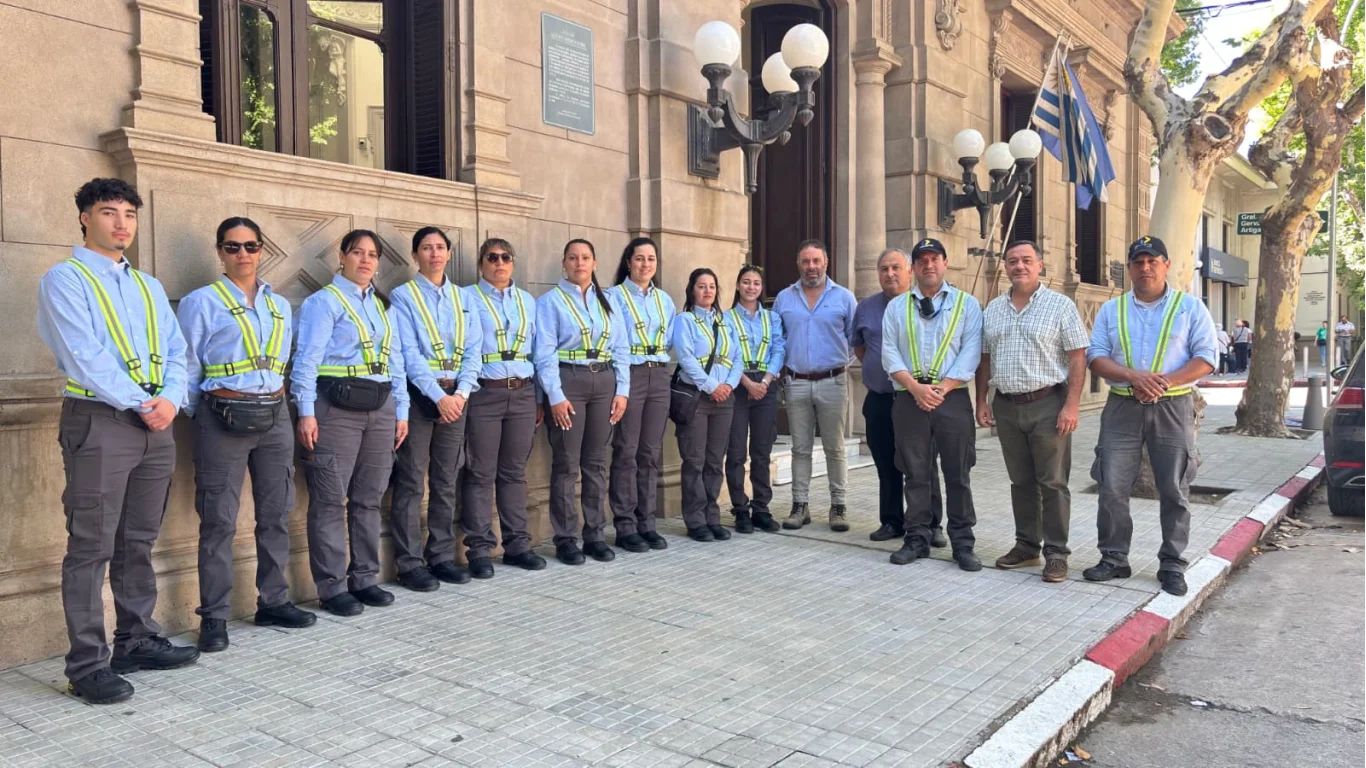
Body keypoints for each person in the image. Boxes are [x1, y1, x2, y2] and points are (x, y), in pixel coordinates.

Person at [37, 178, 198, 704]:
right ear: (86, 217)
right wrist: (143, 402)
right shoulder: (66, 279)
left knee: (138, 539)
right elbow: (82, 354)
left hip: (156, 422)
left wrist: (170, 399)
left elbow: (176, 350)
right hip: (101, 420)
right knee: (90, 546)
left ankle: (136, 639)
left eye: (129, 213)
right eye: (109, 212)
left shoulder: (147, 286)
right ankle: (87, 665)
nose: (122, 223)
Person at [178, 217, 316, 654]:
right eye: (233, 246)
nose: (243, 254)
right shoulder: (201, 302)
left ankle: (273, 602)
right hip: (222, 416)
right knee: (218, 520)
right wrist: (201, 415)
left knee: (276, 512)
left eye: (251, 246)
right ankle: (214, 616)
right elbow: (186, 364)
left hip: (274, 415)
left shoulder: (279, 305)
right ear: (220, 251)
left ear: (262, 251)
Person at [1084, 235, 1218, 597]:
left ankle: (1172, 563)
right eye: (1138, 262)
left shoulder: (1190, 308)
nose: (1145, 268)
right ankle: (1114, 558)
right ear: (1129, 268)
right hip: (1122, 407)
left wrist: (1163, 383)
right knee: (1111, 485)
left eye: (1152, 261)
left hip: (1173, 407)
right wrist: (1134, 377)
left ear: (1166, 265)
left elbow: (1207, 357)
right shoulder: (1112, 310)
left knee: (1174, 488)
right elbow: (1096, 357)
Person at [292, 229, 409, 616]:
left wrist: (402, 411)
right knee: (329, 499)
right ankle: (332, 587)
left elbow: (396, 362)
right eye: (357, 252)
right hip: (336, 409)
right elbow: (306, 360)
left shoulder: (383, 306)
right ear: (341, 257)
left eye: (372, 255)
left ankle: (364, 577)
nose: (365, 260)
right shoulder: (323, 302)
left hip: (381, 408)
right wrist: (306, 412)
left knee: (369, 498)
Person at [974, 240, 1089, 583]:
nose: (1019, 266)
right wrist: (981, 400)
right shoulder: (993, 309)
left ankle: (1056, 553)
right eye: (1012, 261)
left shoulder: (1060, 306)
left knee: (1052, 482)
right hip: (1007, 406)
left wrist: (1071, 404)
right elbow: (984, 359)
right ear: (1005, 267)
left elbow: (1078, 356)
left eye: (1026, 260)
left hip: (1048, 404)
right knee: (1021, 481)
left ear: (1040, 265)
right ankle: (1026, 546)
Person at [388, 227, 482, 591]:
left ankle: (441, 556)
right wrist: (438, 397)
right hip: (420, 397)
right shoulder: (403, 296)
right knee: (411, 481)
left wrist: (460, 394)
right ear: (415, 255)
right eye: (426, 248)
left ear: (449, 253)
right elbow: (408, 353)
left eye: (440, 247)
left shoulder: (463, 298)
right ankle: (409, 563)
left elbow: (474, 349)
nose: (434, 253)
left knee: (446, 479)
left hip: (457, 397)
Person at [882, 238, 983, 570]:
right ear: (913, 268)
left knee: (958, 473)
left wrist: (943, 387)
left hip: (951, 398)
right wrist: (915, 388)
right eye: (922, 260)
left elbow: (972, 350)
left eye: (934, 258)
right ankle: (917, 538)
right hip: (909, 397)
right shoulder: (897, 307)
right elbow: (889, 353)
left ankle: (963, 543)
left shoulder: (967, 305)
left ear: (945, 262)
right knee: (915, 473)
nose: (929, 265)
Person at [535, 239, 630, 565]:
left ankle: (594, 535)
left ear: (595, 262)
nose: (579, 263)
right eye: (573, 258)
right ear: (564, 263)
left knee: (596, 463)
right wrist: (555, 395)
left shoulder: (609, 301)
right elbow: (544, 353)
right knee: (566, 463)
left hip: (603, 381)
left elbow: (621, 348)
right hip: (569, 380)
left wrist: (622, 390)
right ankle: (565, 539)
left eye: (585, 257)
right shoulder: (550, 302)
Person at [462, 238, 545, 578]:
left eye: (505, 257)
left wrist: (539, 397)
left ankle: (517, 545)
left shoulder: (526, 300)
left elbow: (538, 351)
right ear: (481, 263)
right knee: (480, 472)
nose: (499, 263)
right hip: (485, 393)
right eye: (492, 257)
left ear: (513, 262)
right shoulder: (466, 297)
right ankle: (479, 549)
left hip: (523, 393)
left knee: (514, 471)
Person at [852, 249, 946, 546]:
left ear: (909, 271)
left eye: (896, 267)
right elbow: (861, 348)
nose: (889, 274)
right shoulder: (866, 308)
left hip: (917, 399)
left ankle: (932, 523)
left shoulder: (925, 303)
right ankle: (892, 521)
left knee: (923, 464)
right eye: (884, 269)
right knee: (885, 463)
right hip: (880, 398)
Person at [771, 239, 858, 532]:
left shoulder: (844, 297)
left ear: (826, 263)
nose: (811, 267)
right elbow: (778, 339)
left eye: (816, 261)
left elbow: (854, 340)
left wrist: (837, 364)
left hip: (833, 381)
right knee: (800, 448)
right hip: (796, 382)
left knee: (835, 447)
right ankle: (800, 505)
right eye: (806, 261)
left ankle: (838, 506)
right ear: (798, 264)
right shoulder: (784, 298)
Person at [608, 237, 675, 552]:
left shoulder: (665, 300)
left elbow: (669, 339)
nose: (645, 264)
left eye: (651, 259)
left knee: (650, 452)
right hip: (630, 374)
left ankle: (646, 523)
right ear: (628, 262)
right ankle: (625, 526)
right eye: (639, 258)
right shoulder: (614, 296)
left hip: (659, 375)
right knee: (627, 450)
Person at [672, 268, 742, 540]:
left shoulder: (725, 323)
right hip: (697, 398)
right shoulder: (685, 321)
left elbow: (738, 358)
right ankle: (696, 520)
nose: (707, 291)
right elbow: (686, 359)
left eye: (712, 286)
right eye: (701, 286)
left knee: (714, 461)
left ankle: (712, 517)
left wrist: (728, 386)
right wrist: (712, 386)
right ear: (692, 290)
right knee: (695, 460)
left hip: (724, 399)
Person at [725, 265, 786, 534]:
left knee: (762, 451)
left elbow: (779, 350)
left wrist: (764, 382)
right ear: (738, 285)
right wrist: (748, 383)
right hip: (738, 385)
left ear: (761, 288)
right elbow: (726, 354)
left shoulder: (772, 319)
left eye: (756, 283)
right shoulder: (726, 318)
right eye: (746, 282)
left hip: (765, 385)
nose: (751, 287)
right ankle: (740, 509)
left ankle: (761, 508)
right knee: (736, 451)